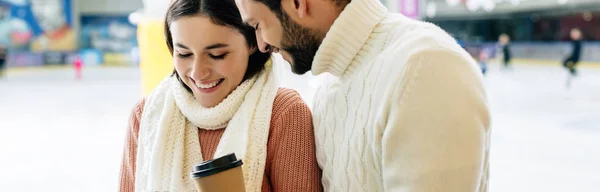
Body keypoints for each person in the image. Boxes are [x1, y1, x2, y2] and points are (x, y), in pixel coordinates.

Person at [236, 0, 491, 191]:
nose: (262, 45)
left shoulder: (425, 66)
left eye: (258, 25)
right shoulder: (330, 84)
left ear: (297, 3)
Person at [118, 0, 322, 191]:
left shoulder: (283, 114)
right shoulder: (146, 115)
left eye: (217, 55)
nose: (198, 73)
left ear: (253, 43)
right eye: (184, 54)